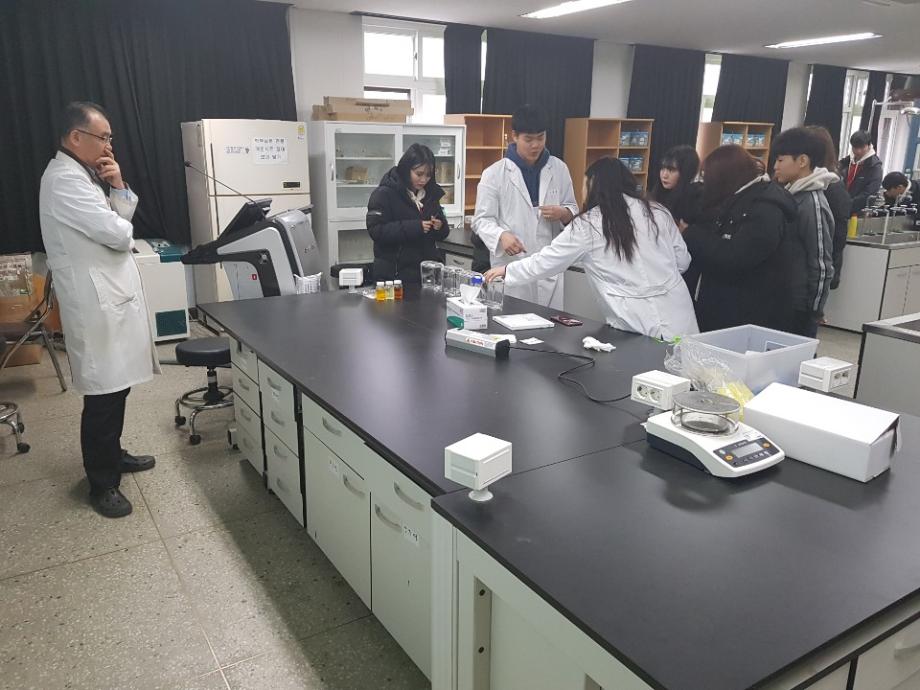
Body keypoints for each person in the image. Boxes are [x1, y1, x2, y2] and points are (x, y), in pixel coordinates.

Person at [39, 102, 160, 518]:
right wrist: (119, 216)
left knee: (117, 386)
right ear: (76, 137)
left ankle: (113, 454)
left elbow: (116, 224)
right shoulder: (64, 182)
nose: (109, 145)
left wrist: (118, 186)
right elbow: (118, 234)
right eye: (103, 137)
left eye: (110, 137)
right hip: (95, 306)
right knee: (103, 394)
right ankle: (102, 482)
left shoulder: (82, 175)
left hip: (108, 298)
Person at [483, 157, 698, 340]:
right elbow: (682, 261)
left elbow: (545, 262)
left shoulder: (589, 225)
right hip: (678, 314)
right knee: (685, 373)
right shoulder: (657, 212)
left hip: (635, 323)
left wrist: (507, 270)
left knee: (647, 373)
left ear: (594, 185)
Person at [682, 145, 798, 332]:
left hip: (750, 314)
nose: (705, 185)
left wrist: (690, 234)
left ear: (724, 179)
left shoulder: (765, 209)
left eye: (708, 179)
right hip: (725, 306)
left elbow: (735, 255)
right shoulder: (737, 199)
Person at [472, 104, 578, 308]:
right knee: (512, 322)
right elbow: (481, 220)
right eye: (528, 139)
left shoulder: (559, 169)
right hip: (512, 266)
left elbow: (572, 209)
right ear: (514, 136)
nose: (535, 145)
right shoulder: (494, 174)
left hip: (548, 269)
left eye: (541, 137)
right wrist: (501, 235)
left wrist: (563, 213)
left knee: (548, 324)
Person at [771, 127, 837, 338]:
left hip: (799, 306)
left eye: (780, 160)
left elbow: (821, 263)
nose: (775, 166)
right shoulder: (790, 194)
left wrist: (814, 310)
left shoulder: (812, 203)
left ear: (802, 161)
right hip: (781, 297)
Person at [366, 143, 450, 283]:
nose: (423, 180)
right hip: (395, 275)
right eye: (419, 174)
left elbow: (443, 233)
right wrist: (415, 227)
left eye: (428, 175)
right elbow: (376, 231)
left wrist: (439, 226)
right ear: (406, 169)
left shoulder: (430, 194)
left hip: (425, 274)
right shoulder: (384, 194)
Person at [806, 126, 852, 289]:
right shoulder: (804, 183)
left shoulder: (832, 186)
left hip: (820, 269)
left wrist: (826, 268)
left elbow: (838, 234)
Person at [649, 145, 704, 227]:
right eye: (662, 168)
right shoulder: (657, 193)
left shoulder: (694, 199)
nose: (664, 175)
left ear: (686, 172)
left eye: (671, 170)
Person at [838, 130, 884, 214]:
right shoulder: (849, 160)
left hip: (859, 212)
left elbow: (869, 193)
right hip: (842, 207)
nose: (858, 151)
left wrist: (847, 205)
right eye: (855, 148)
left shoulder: (875, 166)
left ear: (869, 146)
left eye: (862, 147)